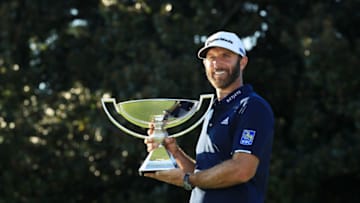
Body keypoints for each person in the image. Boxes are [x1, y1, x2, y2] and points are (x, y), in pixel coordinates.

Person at [144, 31, 275, 203]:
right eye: (211, 57)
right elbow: (203, 174)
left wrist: (187, 180)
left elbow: (242, 170)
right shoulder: (212, 110)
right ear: (204, 64)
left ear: (242, 62)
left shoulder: (252, 106)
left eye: (225, 56)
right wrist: (174, 153)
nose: (217, 63)